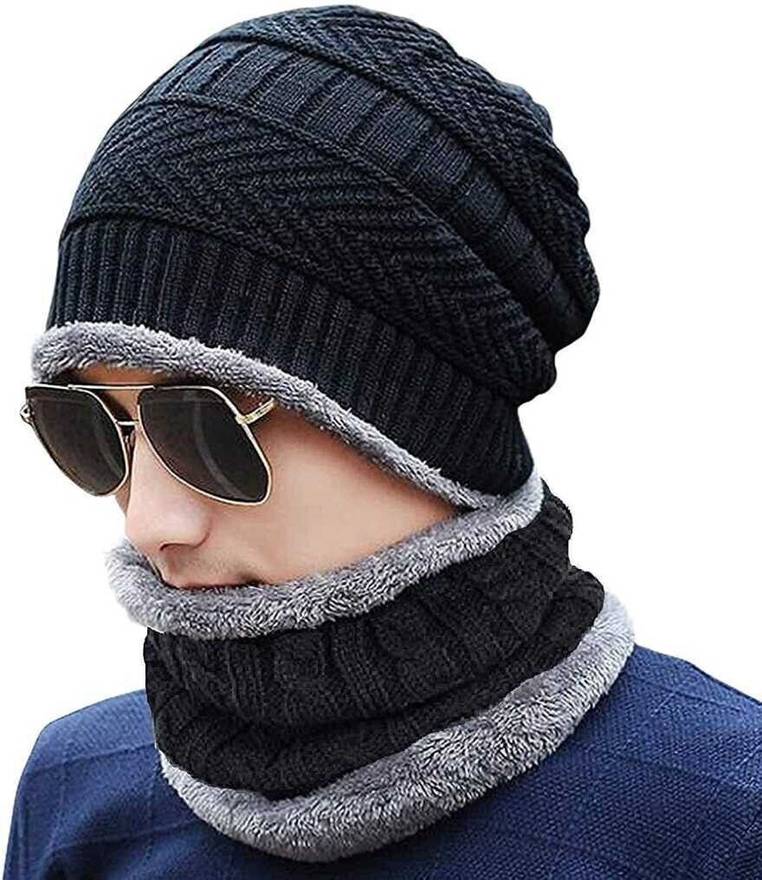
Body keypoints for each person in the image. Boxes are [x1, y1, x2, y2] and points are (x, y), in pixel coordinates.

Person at [4, 5, 761, 878]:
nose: (149, 522)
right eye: (90, 428)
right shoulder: (76, 797)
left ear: (427, 431)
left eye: (206, 421)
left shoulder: (721, 813)